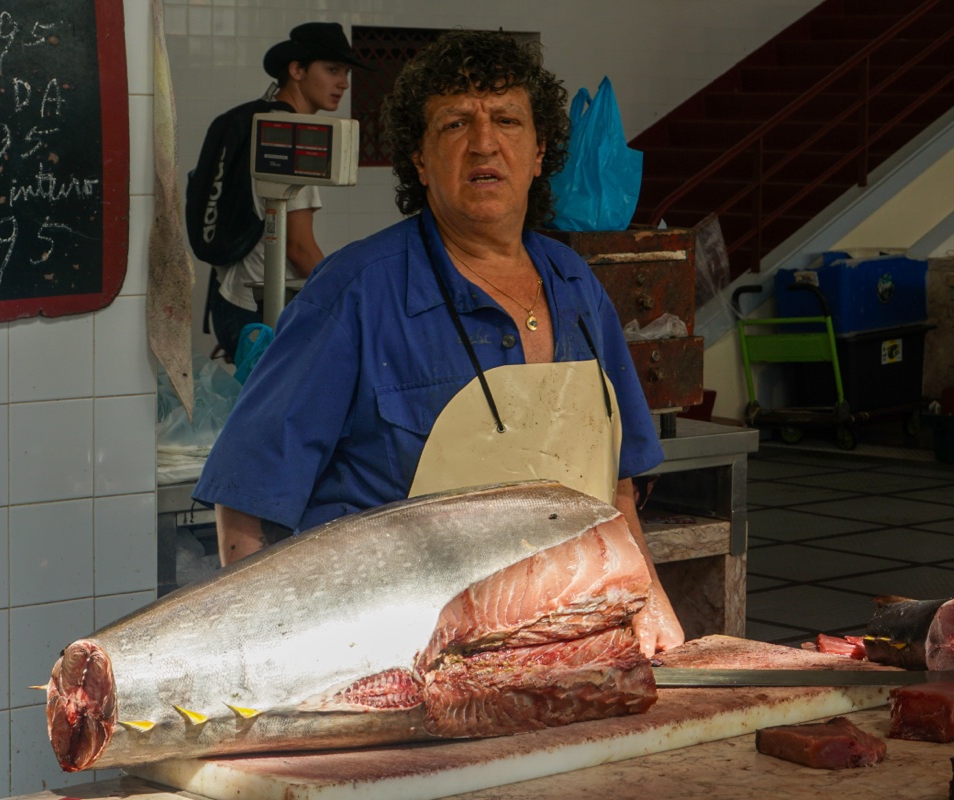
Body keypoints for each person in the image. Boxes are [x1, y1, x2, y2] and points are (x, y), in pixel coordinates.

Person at [194, 30, 685, 655]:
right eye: (455, 125)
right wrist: (261, 665)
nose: (485, 142)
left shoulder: (576, 286)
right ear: (420, 161)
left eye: (507, 120)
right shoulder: (355, 292)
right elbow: (246, 501)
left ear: (539, 153)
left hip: (555, 642)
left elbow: (616, 490)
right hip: (387, 653)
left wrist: (659, 627)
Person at [205, 22, 364, 361]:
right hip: (260, 307)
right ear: (296, 70)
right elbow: (299, 247)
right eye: (332, 69)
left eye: (346, 73)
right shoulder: (292, 133)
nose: (343, 84)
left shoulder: (258, 121)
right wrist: (347, 297)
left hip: (229, 299)